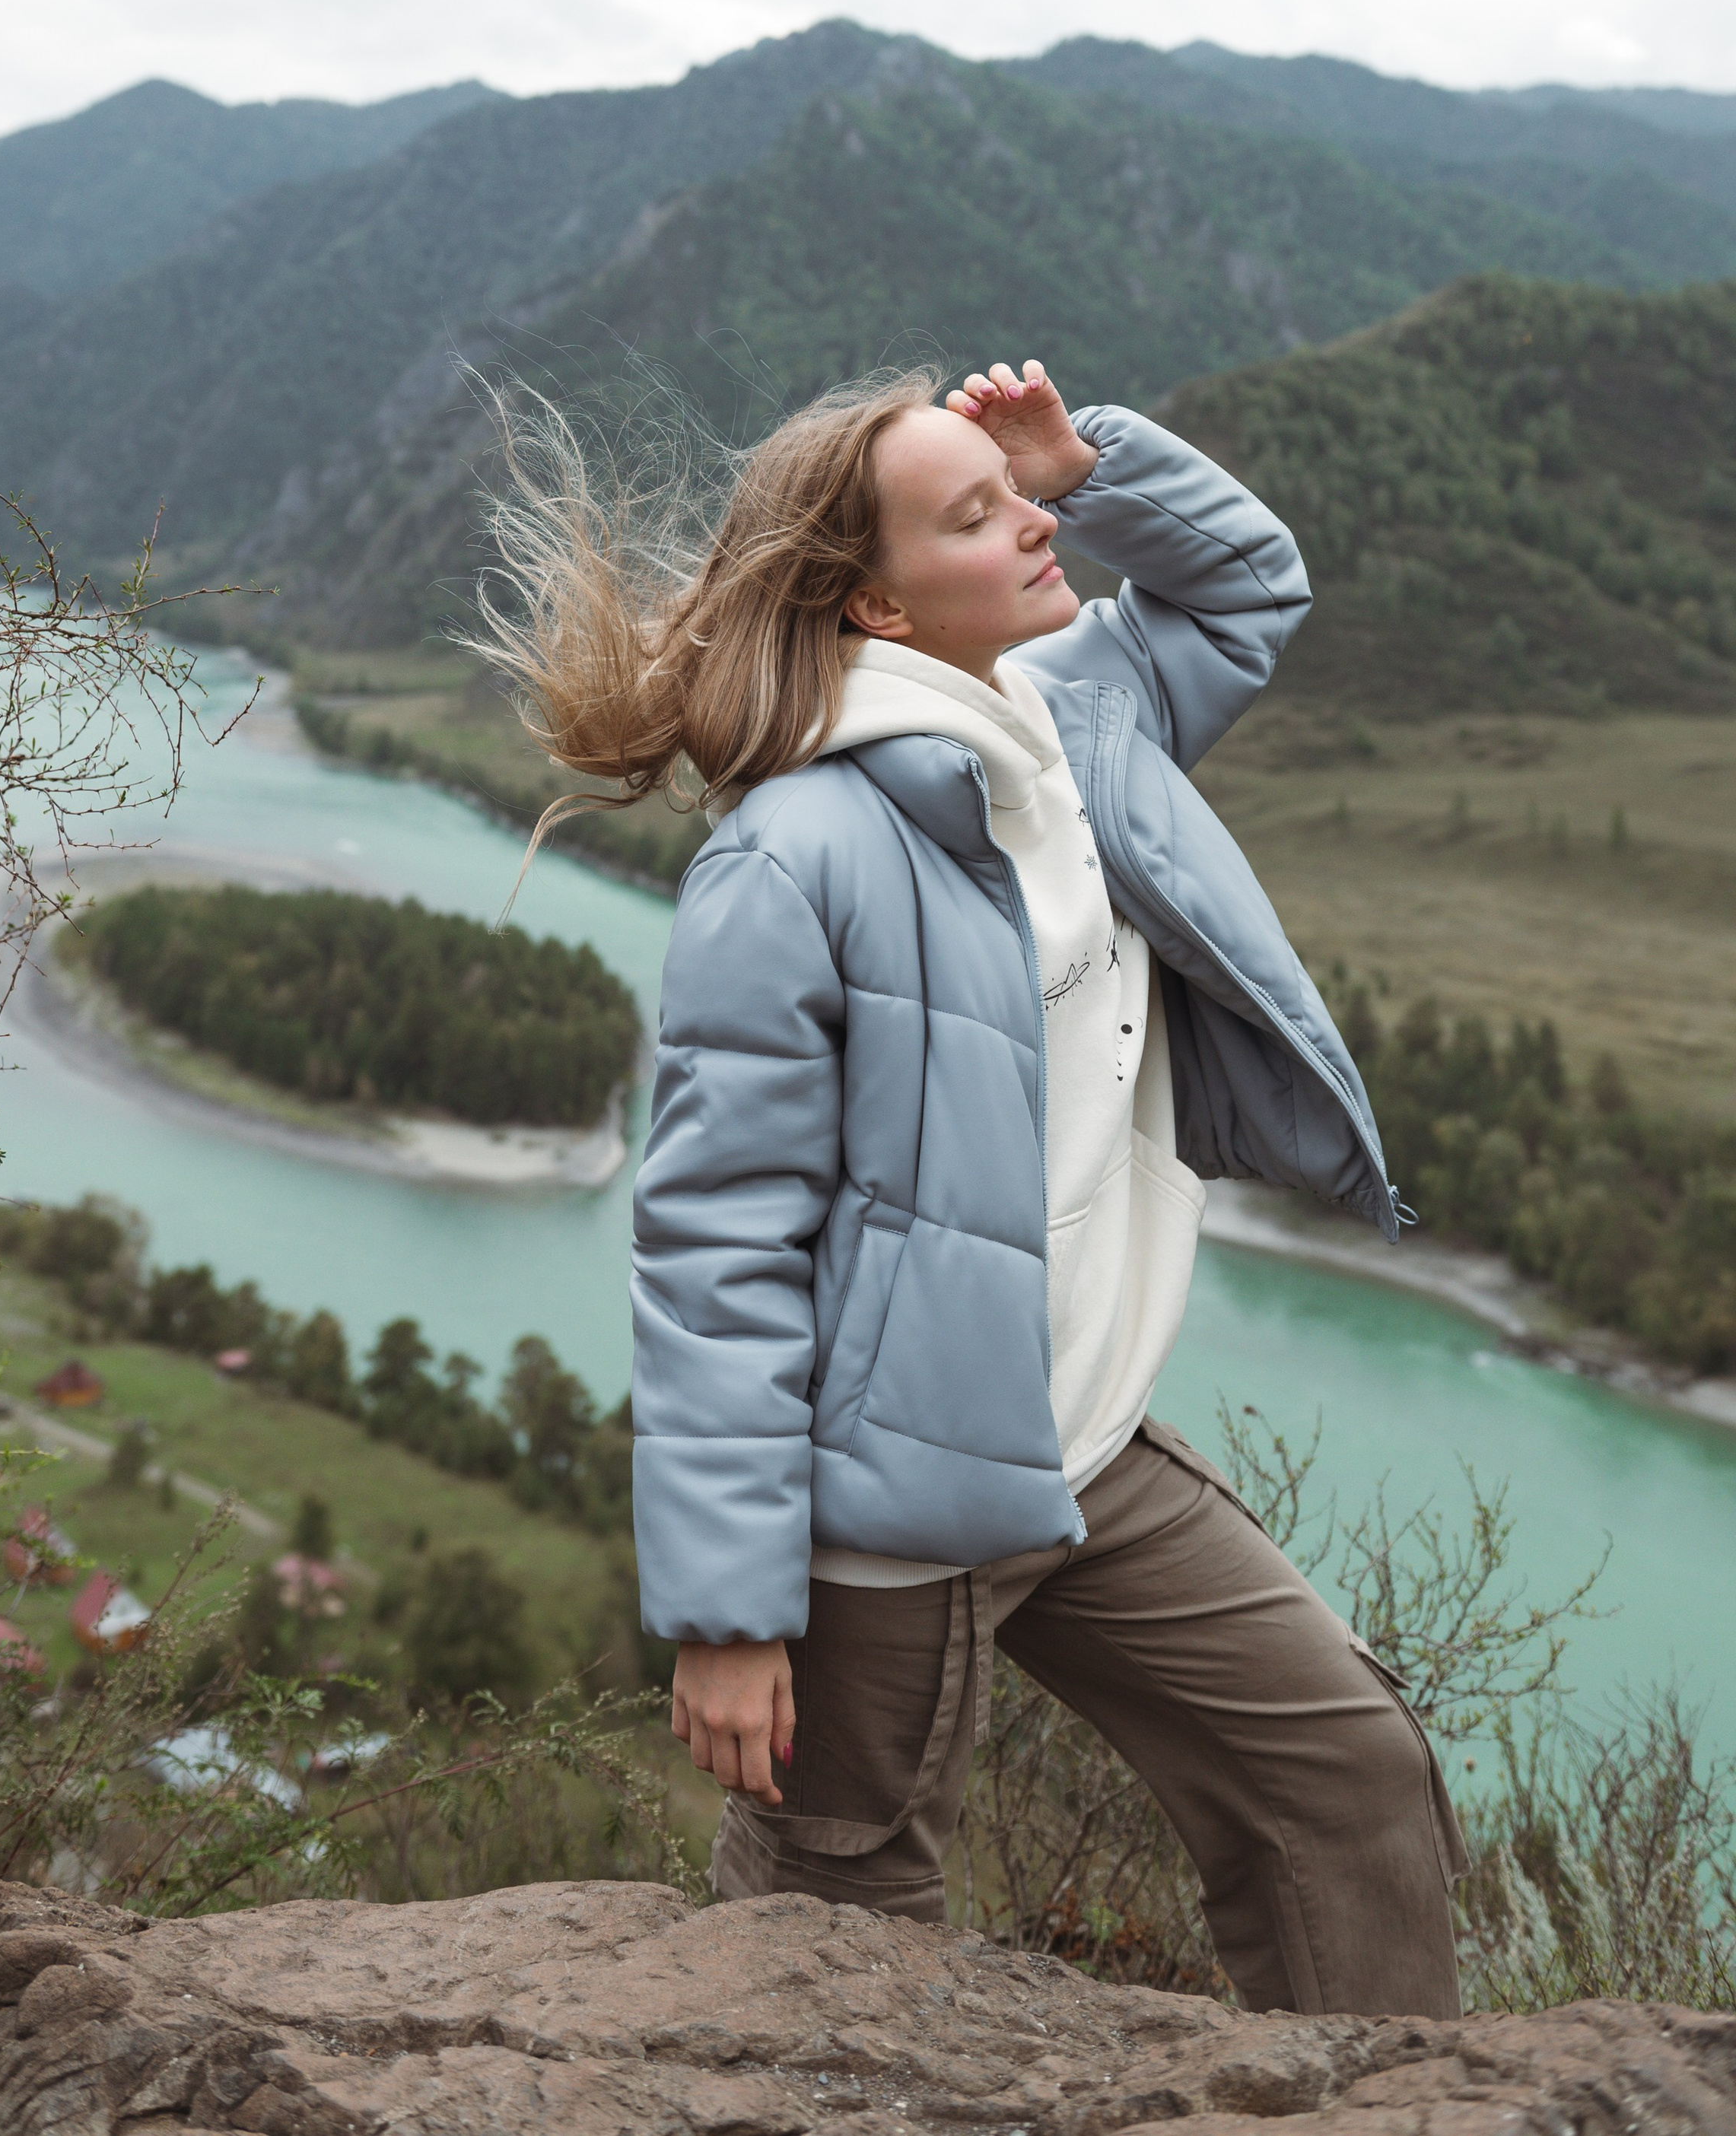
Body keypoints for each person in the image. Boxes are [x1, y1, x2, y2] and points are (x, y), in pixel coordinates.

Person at [480, 357, 1465, 2017]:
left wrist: (1085, 463)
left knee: (1342, 1777)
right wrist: (727, 1612)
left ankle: (1385, 2107)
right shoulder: (790, 857)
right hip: (886, 1507)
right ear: (873, 600)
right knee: (839, 1921)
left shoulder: (1077, 714)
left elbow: (1247, 588)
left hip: (1082, 1442)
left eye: (1021, 499)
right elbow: (716, 1248)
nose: (1029, 525)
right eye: (973, 514)